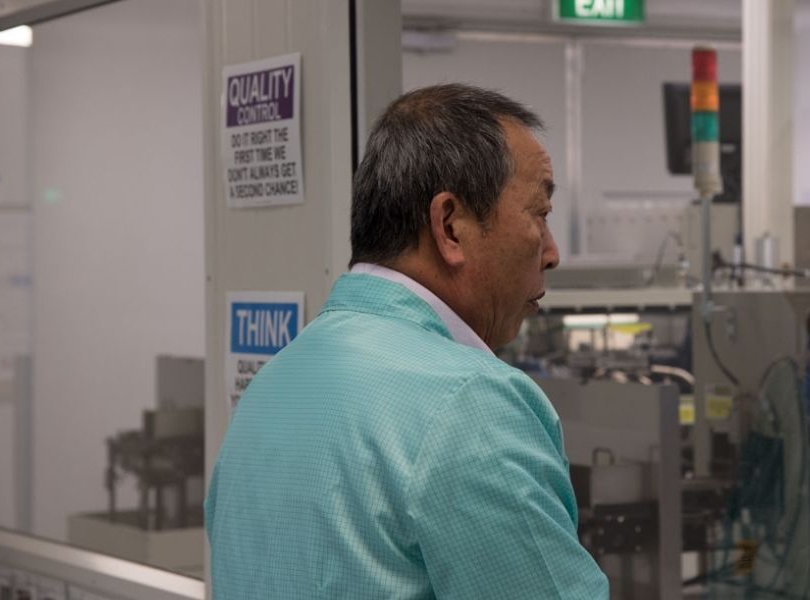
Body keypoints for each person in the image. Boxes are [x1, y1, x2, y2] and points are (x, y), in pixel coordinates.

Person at [205, 84, 609, 599]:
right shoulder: (471, 403)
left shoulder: (272, 385)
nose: (551, 253)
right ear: (450, 226)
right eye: (539, 214)